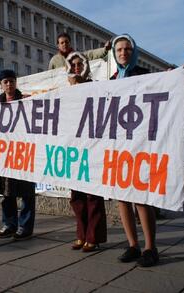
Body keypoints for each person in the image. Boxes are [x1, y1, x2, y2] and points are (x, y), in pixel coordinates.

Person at [109, 34, 158, 267]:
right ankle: (132, 245)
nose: (123, 53)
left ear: (133, 51)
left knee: (141, 198)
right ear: (114, 54)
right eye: (119, 50)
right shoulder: (111, 80)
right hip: (118, 146)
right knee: (122, 198)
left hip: (139, 145)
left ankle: (150, 247)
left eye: (127, 49)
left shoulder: (145, 76)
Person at [65, 52, 107, 252]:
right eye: (72, 65)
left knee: (92, 195)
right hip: (73, 149)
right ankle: (81, 234)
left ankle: (94, 236)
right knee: (77, 196)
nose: (76, 67)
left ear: (85, 66)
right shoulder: (65, 92)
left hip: (92, 148)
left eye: (79, 64)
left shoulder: (95, 86)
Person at [0, 69, 36, 241]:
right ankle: (10, 224)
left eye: (12, 81)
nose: (9, 84)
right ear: (1, 85)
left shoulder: (27, 101)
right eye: (6, 82)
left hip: (23, 153)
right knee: (7, 193)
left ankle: (25, 227)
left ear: (16, 83)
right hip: (4, 155)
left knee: (26, 192)